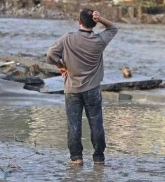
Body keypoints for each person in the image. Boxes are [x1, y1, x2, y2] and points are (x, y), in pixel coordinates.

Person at [46, 9, 118, 165]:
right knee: (96, 123)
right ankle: (99, 158)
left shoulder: (67, 38)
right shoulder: (99, 41)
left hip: (72, 89)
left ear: (79, 21)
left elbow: (50, 55)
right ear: (94, 23)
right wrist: (101, 19)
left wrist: (61, 66)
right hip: (92, 89)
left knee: (74, 124)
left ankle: (76, 158)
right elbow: (113, 28)